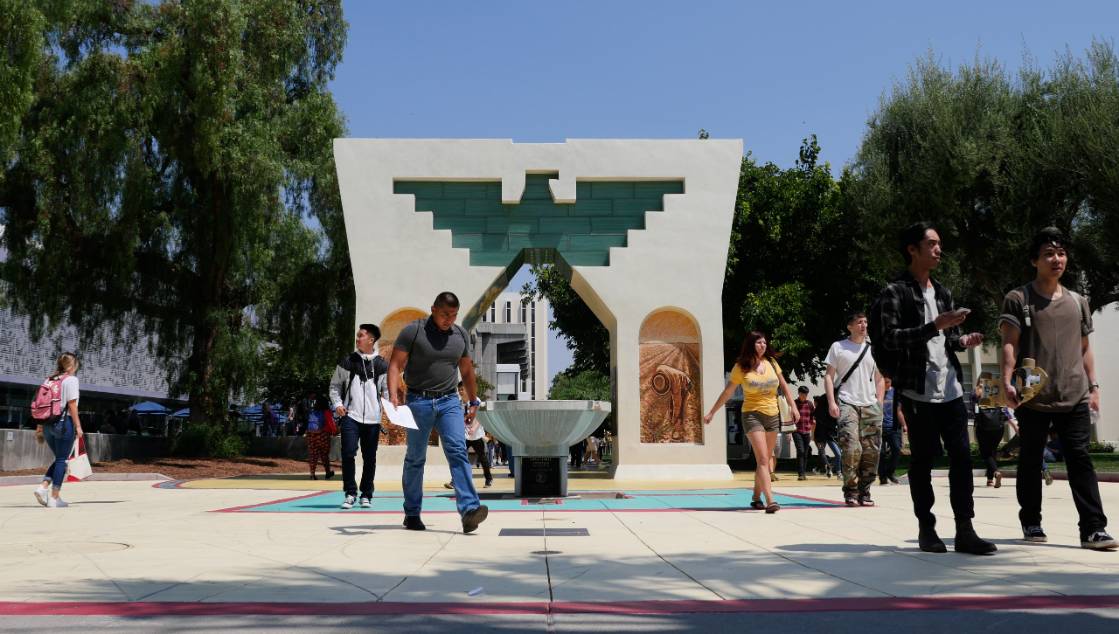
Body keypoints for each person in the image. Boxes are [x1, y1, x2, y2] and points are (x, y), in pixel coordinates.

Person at [873, 221, 995, 555]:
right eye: (931, 244)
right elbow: (888, 338)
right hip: (916, 391)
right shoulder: (894, 292)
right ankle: (927, 529)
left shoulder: (942, 292)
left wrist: (961, 339)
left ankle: (965, 530)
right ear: (912, 249)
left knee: (962, 460)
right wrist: (933, 326)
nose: (938, 249)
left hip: (952, 388)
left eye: (940, 244)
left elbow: (947, 339)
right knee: (923, 462)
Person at [999, 227, 1115, 550]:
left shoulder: (1079, 302)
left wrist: (1093, 386)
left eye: (1061, 253)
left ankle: (1093, 528)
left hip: (1074, 394)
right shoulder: (1018, 298)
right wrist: (1007, 381)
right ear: (1034, 260)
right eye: (1049, 253)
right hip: (1034, 397)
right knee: (1031, 458)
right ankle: (1031, 520)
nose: (1056, 259)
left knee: (1079, 457)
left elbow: (1085, 348)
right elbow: (1009, 344)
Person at [388, 292, 489, 534]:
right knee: (415, 458)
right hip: (418, 401)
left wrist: (473, 400)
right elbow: (395, 365)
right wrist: (393, 394)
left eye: (453, 315)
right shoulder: (413, 331)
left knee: (457, 451)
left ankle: (469, 511)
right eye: (445, 314)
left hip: (449, 401)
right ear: (433, 309)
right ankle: (412, 513)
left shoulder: (460, 334)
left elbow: (466, 371)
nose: (449, 320)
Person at [704, 331, 799, 513]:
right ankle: (770, 500)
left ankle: (756, 497)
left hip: (772, 414)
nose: (763, 345)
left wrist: (793, 407)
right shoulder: (741, 367)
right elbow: (727, 392)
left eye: (764, 342)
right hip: (751, 414)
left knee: (765, 460)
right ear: (751, 345)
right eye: (758, 343)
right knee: (763, 459)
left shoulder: (772, 363)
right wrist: (712, 412)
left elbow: (784, 386)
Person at [825, 312, 886, 506]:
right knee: (851, 447)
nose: (864, 325)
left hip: (871, 405)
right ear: (850, 326)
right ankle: (850, 490)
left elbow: (880, 378)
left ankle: (865, 491)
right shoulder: (839, 347)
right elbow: (829, 376)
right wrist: (831, 402)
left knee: (872, 451)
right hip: (847, 402)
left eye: (866, 322)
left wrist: (879, 403)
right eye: (859, 322)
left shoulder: (873, 349)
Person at [329, 323, 388, 510]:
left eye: (360, 335)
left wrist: (388, 409)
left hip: (373, 420)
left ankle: (366, 494)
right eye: (357, 335)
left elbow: (386, 391)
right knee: (347, 454)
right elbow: (334, 387)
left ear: (371, 340)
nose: (357, 338)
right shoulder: (347, 361)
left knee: (370, 458)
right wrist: (338, 404)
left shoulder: (381, 364)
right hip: (350, 417)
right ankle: (350, 493)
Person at [33, 353, 83, 509]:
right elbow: (72, 405)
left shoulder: (49, 379)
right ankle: (54, 498)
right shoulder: (71, 380)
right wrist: (78, 426)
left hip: (48, 424)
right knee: (62, 460)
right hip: (64, 423)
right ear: (71, 365)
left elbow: (41, 403)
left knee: (59, 459)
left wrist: (40, 426)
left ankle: (43, 487)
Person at [973, 374, 1008, 488]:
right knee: (992, 451)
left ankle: (996, 472)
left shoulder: (976, 393)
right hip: (998, 427)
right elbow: (1005, 410)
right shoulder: (997, 393)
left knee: (986, 453)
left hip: (983, 427)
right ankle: (990, 479)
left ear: (979, 381)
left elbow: (972, 411)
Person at [878, 378, 905, 485]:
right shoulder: (876, 393)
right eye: (884, 382)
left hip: (894, 427)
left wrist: (904, 424)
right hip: (879, 427)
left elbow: (899, 410)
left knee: (897, 450)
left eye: (888, 382)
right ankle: (882, 477)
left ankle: (890, 472)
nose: (886, 385)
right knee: (881, 453)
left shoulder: (895, 393)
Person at [304, 394, 336, 481]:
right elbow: (331, 423)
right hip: (323, 435)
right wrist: (335, 431)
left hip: (311, 435)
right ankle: (327, 473)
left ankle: (312, 474)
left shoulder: (313, 411)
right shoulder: (327, 411)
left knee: (313, 455)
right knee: (324, 455)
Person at [812, 394, 841, 478]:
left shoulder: (826, 410)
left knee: (823, 452)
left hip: (828, 436)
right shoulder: (819, 411)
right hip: (824, 435)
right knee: (825, 453)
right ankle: (832, 469)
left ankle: (828, 467)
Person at [793, 386, 815, 480]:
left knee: (805, 453)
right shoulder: (794, 403)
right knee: (800, 451)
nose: (804, 396)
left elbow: (812, 418)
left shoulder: (810, 404)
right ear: (799, 393)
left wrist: (812, 433)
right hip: (796, 431)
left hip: (806, 431)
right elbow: (790, 417)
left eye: (806, 394)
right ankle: (800, 474)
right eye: (802, 394)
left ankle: (803, 473)